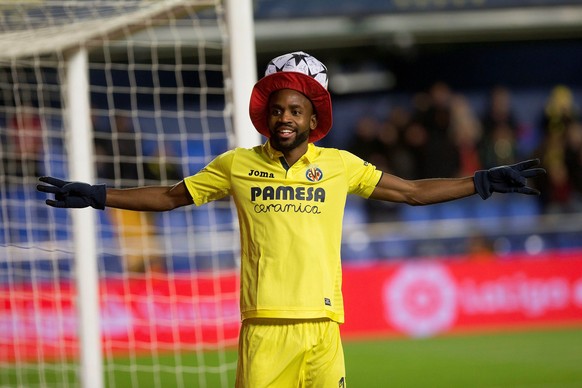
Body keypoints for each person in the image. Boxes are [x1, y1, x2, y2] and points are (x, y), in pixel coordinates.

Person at [37, 51, 545, 387]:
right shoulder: (235, 165)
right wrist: (100, 194)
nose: (286, 118)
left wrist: (479, 181)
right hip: (264, 328)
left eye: (296, 111)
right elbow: (171, 198)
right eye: (278, 110)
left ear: (312, 119)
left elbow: (410, 192)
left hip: (325, 329)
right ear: (267, 116)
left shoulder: (339, 166)